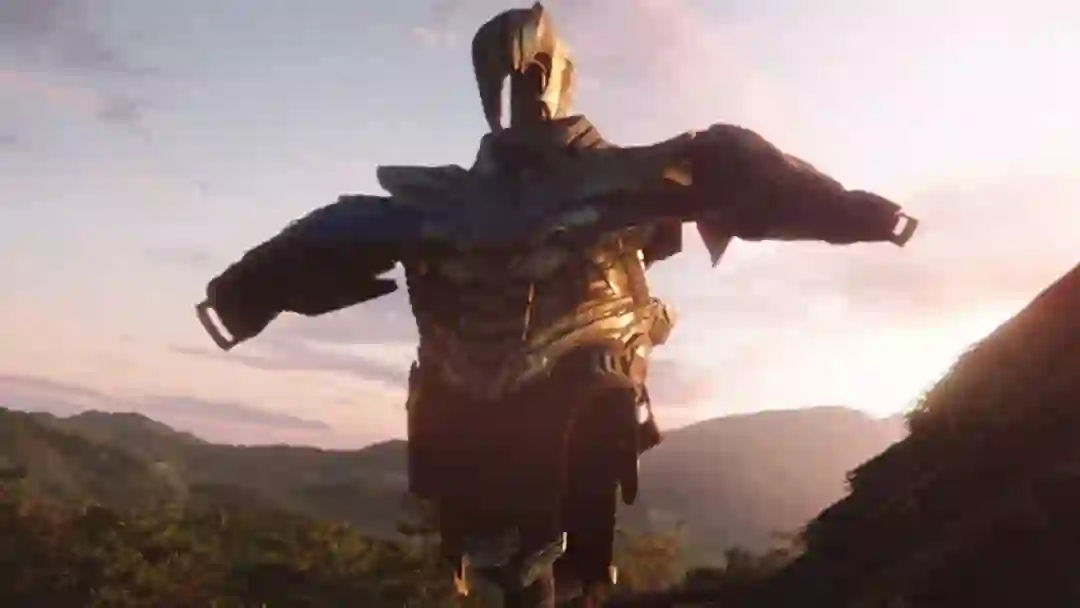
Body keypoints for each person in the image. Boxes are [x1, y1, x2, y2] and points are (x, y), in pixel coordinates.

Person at [197, 4, 918, 606]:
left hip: (584, 383)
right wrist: (244, 296)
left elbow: (756, 182)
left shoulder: (633, 179)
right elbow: (332, 235)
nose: (524, 92)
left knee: (561, 528)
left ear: (555, 77)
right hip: (463, 398)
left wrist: (859, 214)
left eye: (532, 77)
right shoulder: (440, 203)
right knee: (497, 546)